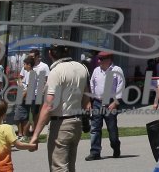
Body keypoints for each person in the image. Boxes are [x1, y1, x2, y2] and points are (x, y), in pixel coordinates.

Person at [32, 44, 90, 172]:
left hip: (61, 124)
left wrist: (35, 134)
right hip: (76, 122)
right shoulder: (81, 68)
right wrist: (86, 119)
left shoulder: (56, 71)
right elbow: (86, 100)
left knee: (59, 168)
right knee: (70, 166)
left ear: (50, 54)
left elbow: (48, 105)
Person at [85, 52, 124, 161]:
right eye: (99, 59)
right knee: (95, 128)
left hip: (111, 103)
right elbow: (92, 85)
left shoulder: (117, 70)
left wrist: (115, 103)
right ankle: (95, 152)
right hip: (97, 103)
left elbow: (120, 87)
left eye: (101, 59)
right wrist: (90, 101)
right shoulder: (96, 71)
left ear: (109, 60)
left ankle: (115, 146)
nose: (99, 61)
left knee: (112, 129)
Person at [0, 99, 37, 172]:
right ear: (3, 115)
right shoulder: (7, 128)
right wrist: (32, 145)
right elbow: (18, 145)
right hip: (5, 168)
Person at [15, 52, 48, 140]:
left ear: (29, 65)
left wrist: (21, 97)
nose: (24, 66)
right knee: (22, 117)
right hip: (26, 97)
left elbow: (29, 88)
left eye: (24, 64)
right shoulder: (28, 72)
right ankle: (23, 134)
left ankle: (24, 134)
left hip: (26, 98)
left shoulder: (32, 73)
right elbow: (20, 79)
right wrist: (20, 84)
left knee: (22, 116)